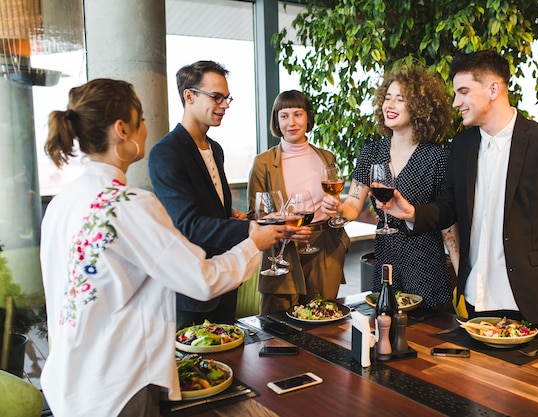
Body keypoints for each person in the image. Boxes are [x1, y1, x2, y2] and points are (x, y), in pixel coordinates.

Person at [39, 79, 285, 417]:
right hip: (119, 388)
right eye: (141, 120)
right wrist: (252, 243)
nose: (146, 130)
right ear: (122, 129)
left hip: (68, 384)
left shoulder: (62, 202)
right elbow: (203, 280)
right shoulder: (130, 204)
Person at [382, 50, 538, 342]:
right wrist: (411, 213)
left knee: (534, 386)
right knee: (476, 386)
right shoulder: (463, 145)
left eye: (463, 91)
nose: (456, 103)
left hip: (531, 298)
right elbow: (449, 208)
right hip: (477, 298)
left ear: (493, 89)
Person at [321, 66, 460, 309]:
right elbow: (354, 205)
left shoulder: (437, 158)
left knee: (426, 336)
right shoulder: (371, 153)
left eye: (400, 99)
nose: (390, 105)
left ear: (420, 108)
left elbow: (447, 225)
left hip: (425, 265)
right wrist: (339, 210)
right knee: (385, 332)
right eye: (387, 98)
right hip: (386, 260)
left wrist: (463, 280)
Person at [149, 60, 249, 328]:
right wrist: (253, 231)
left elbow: (211, 208)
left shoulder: (215, 149)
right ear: (189, 96)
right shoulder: (166, 152)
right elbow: (189, 225)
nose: (225, 105)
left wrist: (230, 216)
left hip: (224, 280)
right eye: (217, 97)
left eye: (227, 98)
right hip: (189, 288)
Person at [248, 90, 349, 314]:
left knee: (323, 317)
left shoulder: (326, 158)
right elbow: (255, 214)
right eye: (284, 116)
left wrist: (335, 209)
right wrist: (284, 230)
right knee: (279, 324)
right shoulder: (262, 163)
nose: (291, 122)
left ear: (308, 117)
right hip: (282, 250)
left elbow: (334, 202)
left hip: (324, 247)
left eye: (297, 114)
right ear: (276, 120)